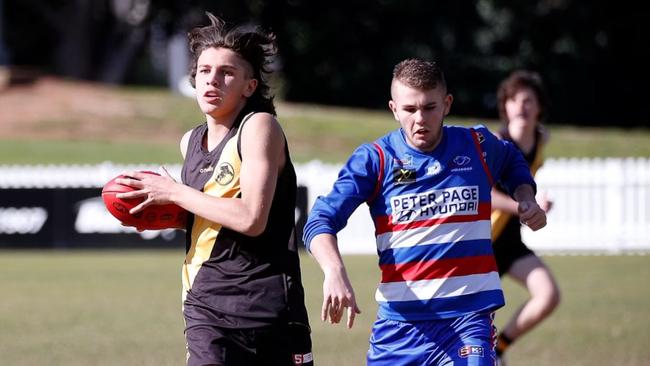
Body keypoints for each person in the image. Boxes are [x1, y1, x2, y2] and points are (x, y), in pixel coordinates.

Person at [302, 58, 547, 366]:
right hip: (400, 328)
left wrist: (525, 196)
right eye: (409, 109)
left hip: (469, 320)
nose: (420, 118)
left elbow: (512, 160)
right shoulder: (375, 159)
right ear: (393, 109)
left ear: (446, 104)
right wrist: (334, 271)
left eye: (429, 108)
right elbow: (319, 221)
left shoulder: (477, 145)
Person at [115, 13, 313, 366]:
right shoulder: (189, 141)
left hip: (270, 310)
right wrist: (164, 213)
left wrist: (175, 193)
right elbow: (211, 216)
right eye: (204, 70)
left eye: (226, 72)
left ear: (249, 87)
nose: (212, 80)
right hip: (207, 307)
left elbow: (252, 218)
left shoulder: (259, 127)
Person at [491, 70, 561, 364]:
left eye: (528, 100)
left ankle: (499, 350)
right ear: (505, 107)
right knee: (477, 322)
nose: (521, 106)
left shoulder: (541, 139)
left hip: (509, 241)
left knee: (548, 295)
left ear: (539, 107)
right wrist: (524, 206)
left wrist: (535, 203)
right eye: (514, 100)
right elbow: (485, 195)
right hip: (482, 241)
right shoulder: (495, 143)